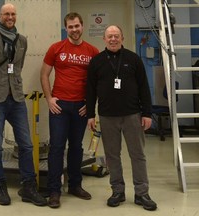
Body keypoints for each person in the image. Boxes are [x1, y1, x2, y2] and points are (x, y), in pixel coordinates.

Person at [0, 3, 47, 207]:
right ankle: (0, 185)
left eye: (13, 14)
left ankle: (28, 187)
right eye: (6, 13)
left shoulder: (22, 40)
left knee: (26, 144)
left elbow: (18, 66)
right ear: (0, 16)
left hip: (16, 98)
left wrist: (12, 84)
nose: (10, 17)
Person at [86, 25, 157, 211]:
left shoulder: (133, 59)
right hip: (107, 116)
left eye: (116, 36)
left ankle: (142, 193)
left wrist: (147, 113)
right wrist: (90, 115)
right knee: (112, 156)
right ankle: (118, 191)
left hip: (132, 115)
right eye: (109, 36)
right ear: (104, 39)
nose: (113, 39)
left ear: (122, 38)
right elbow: (90, 91)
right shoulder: (97, 62)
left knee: (138, 155)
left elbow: (144, 87)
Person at [40, 12, 99, 208]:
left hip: (81, 107)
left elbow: (98, 82)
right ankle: (54, 190)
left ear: (82, 26)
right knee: (56, 148)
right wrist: (49, 99)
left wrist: (90, 105)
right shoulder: (56, 48)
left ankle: (75, 185)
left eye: (77, 26)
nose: (74, 30)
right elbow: (44, 74)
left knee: (76, 148)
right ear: (66, 29)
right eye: (70, 27)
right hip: (60, 107)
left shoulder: (92, 51)